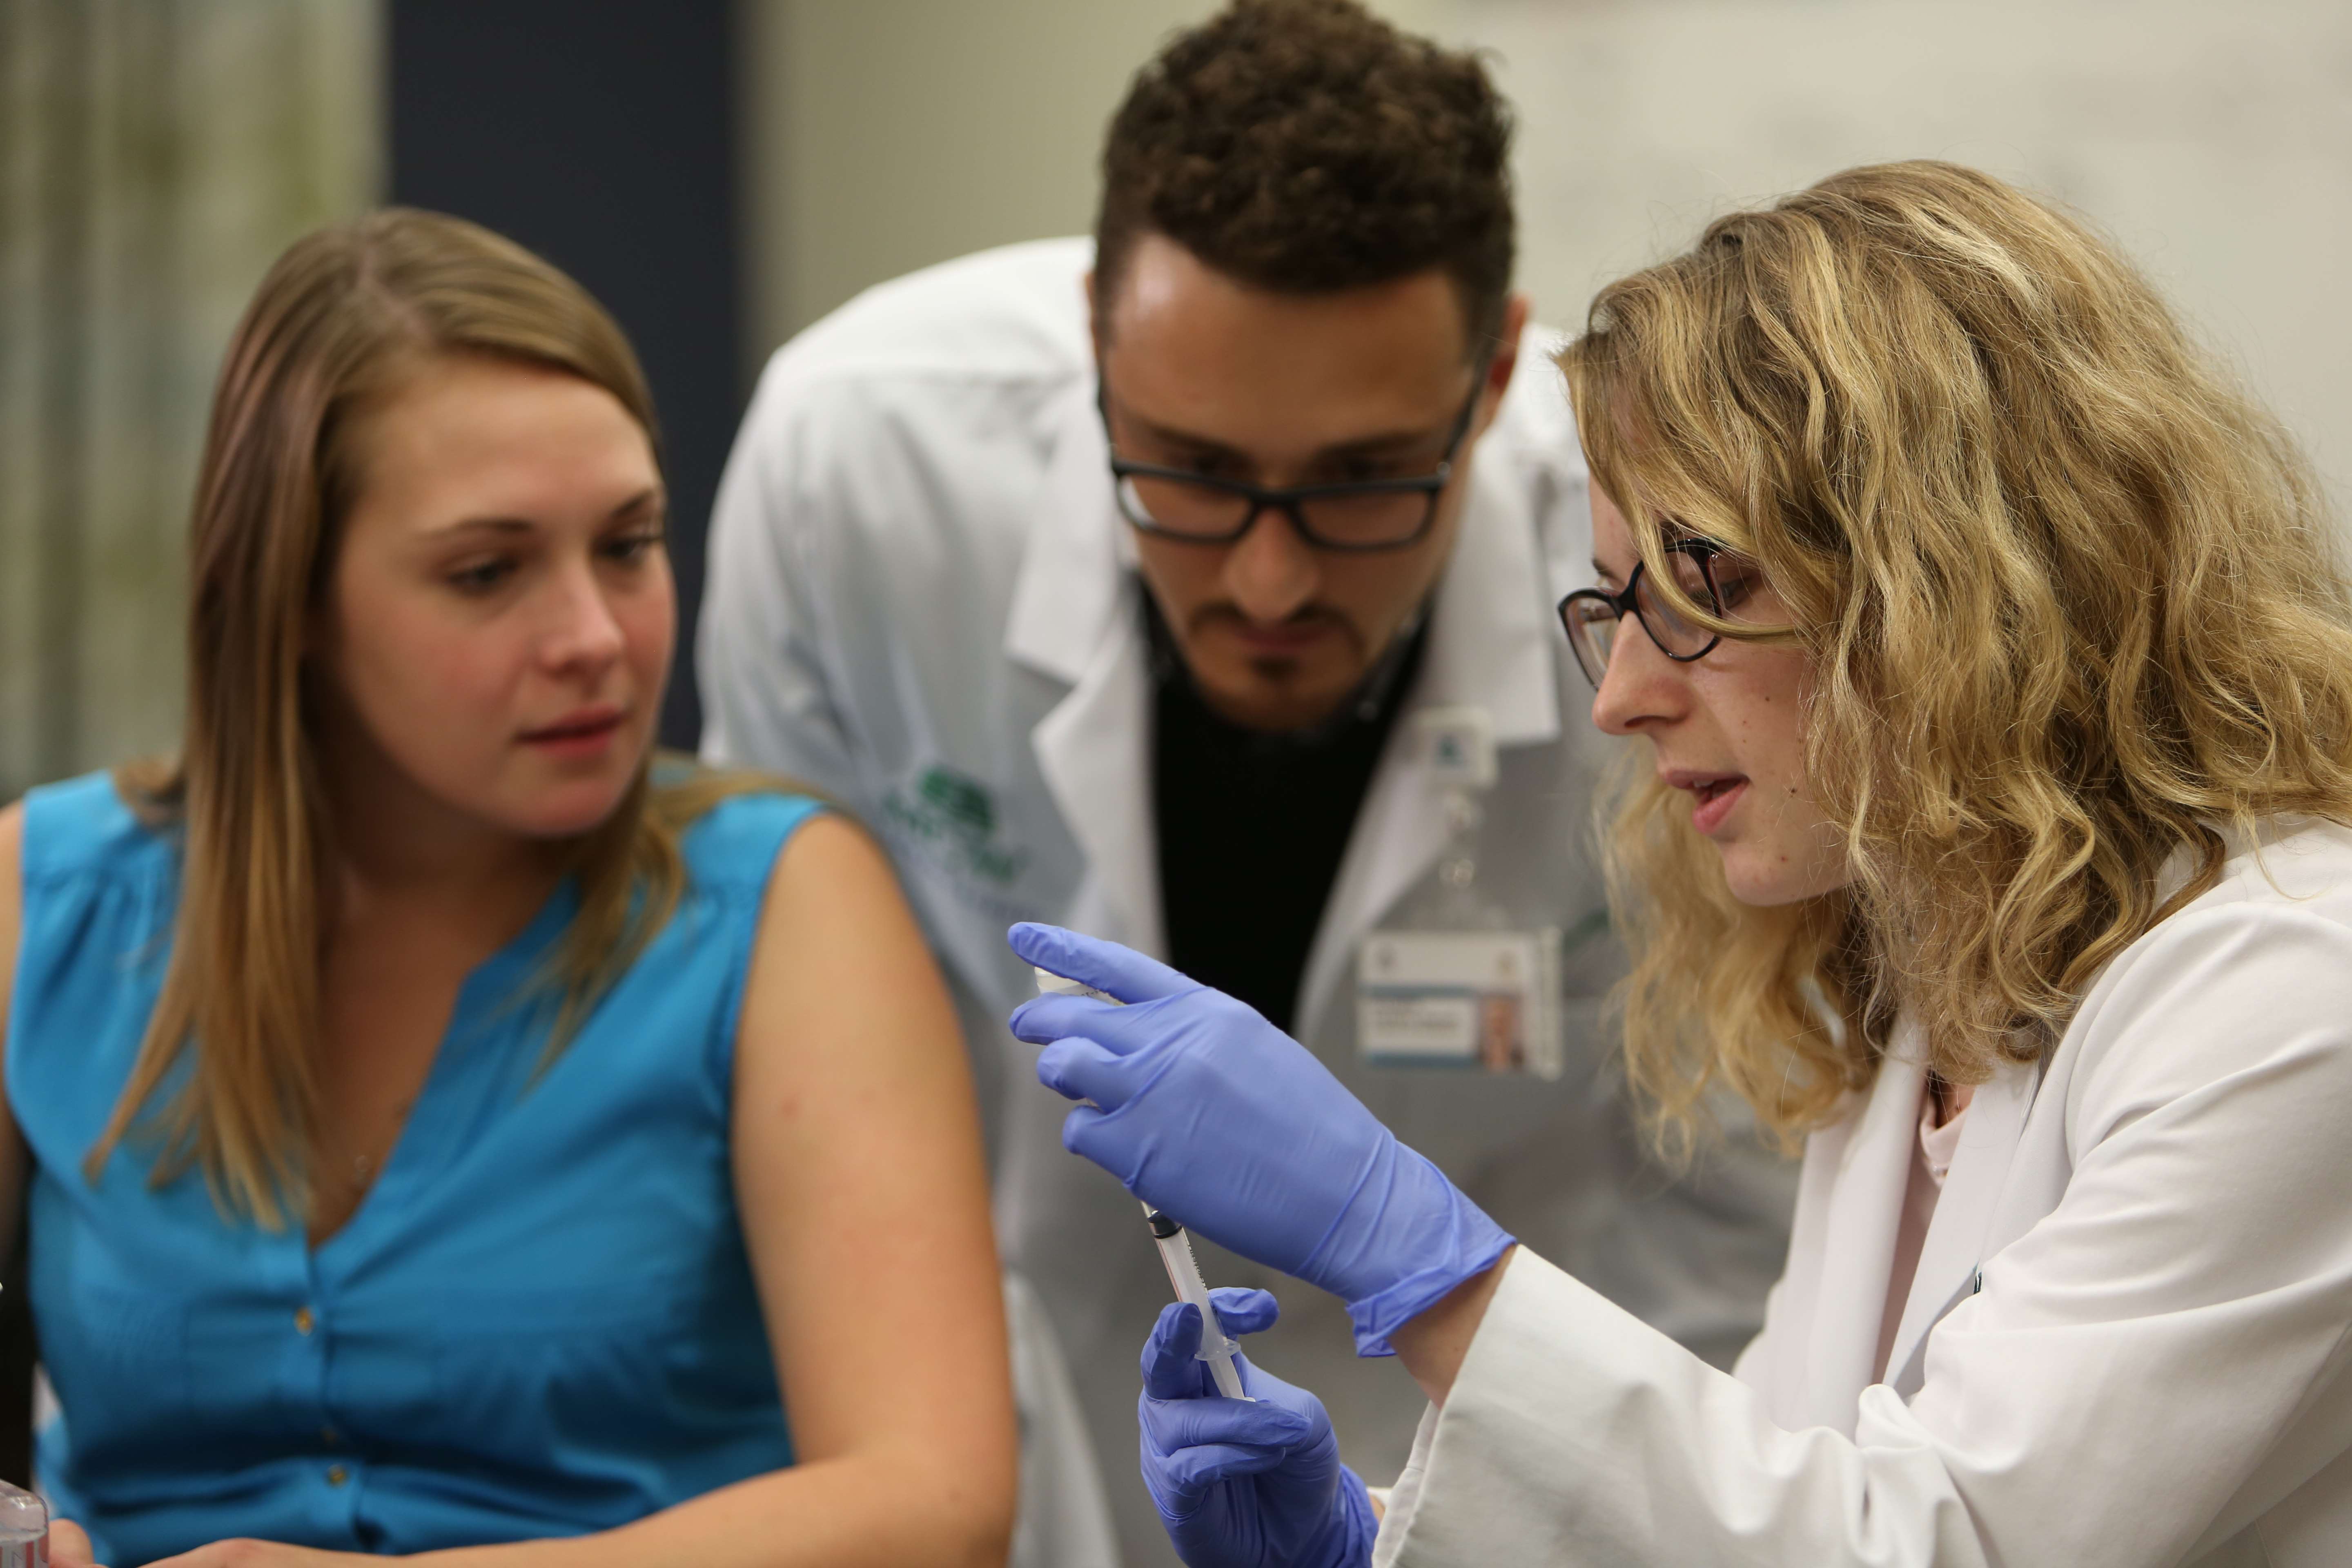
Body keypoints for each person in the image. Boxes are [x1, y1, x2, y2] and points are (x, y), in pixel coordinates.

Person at [1010, 159, 2352, 1566]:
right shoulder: (1929, 1016)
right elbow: (1775, 1513)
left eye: (1707, 583)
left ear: (1964, 577)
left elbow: (1937, 1545)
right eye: (1616, 603)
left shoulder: (2286, 998)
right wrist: (1370, 1548)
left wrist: (1409, 1253)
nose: (1621, 697)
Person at [696, 5, 1796, 1557]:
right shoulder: (862, 472)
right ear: (1096, 338)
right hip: (1006, 1399)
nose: (1269, 583)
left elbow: (1740, 1190)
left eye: (1361, 482)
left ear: (1496, 376)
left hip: (1507, 1444)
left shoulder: (1649, 572)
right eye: (1194, 472)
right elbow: (794, 1068)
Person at [0, 209, 1014, 1567]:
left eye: (629, 544)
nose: (593, 637)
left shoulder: (780, 908)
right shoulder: (44, 903)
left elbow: (937, 1508)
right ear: (289, 601)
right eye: (488, 573)